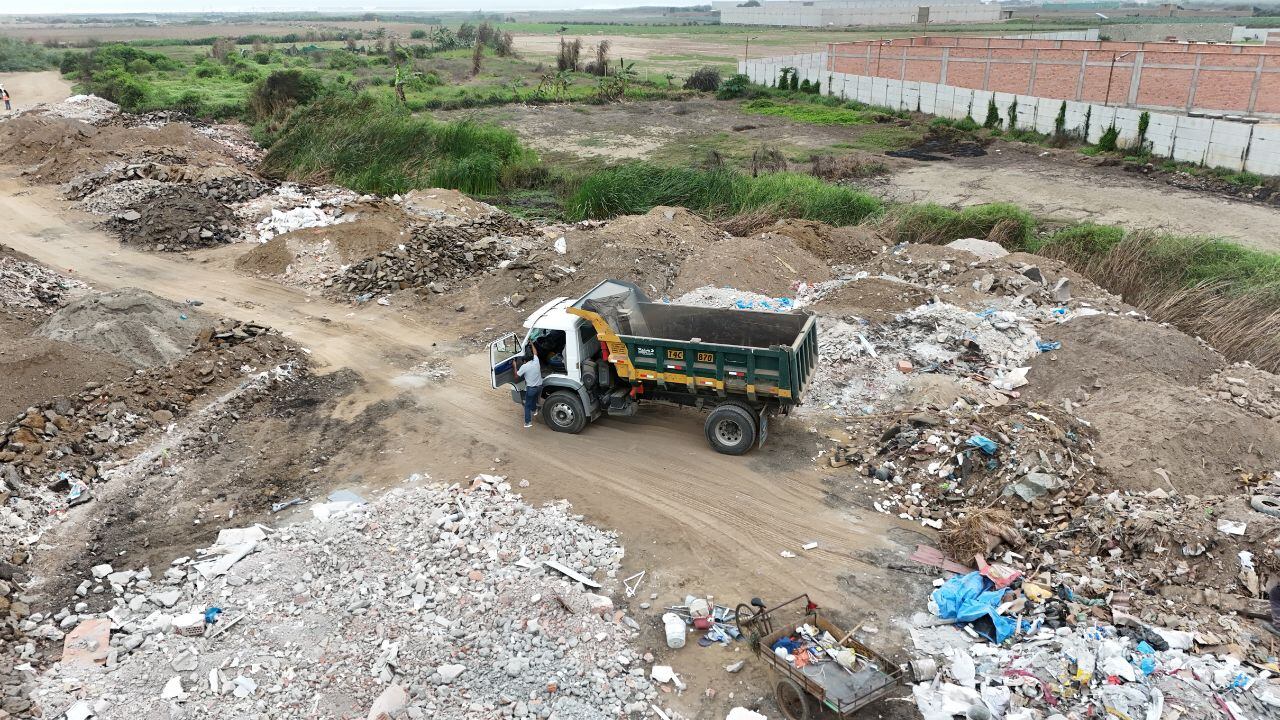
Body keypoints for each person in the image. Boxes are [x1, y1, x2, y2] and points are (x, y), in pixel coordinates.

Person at [516, 344, 543, 429]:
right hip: (540, 387)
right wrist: (531, 343)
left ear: (524, 361)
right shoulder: (536, 361)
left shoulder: (525, 366)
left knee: (527, 405)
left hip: (531, 389)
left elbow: (517, 376)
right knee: (534, 398)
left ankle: (528, 422)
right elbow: (535, 352)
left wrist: (514, 366)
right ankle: (535, 410)